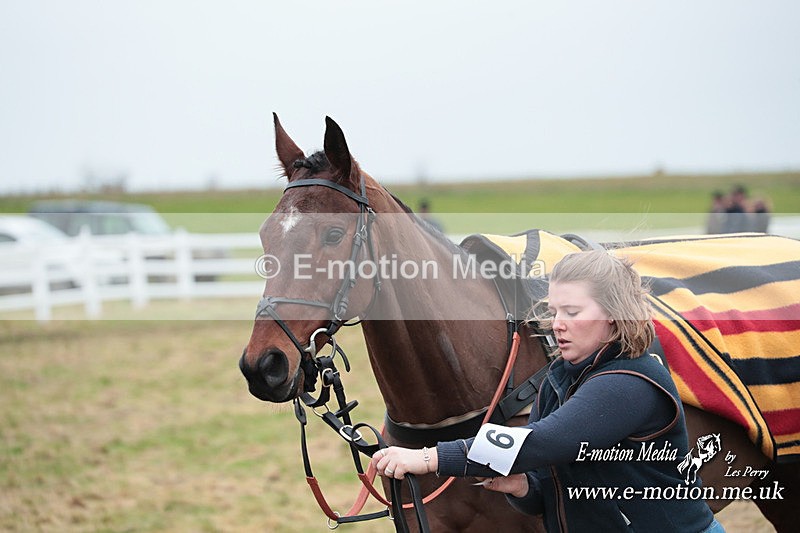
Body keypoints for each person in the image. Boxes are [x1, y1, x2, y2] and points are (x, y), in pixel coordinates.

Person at [371, 250, 723, 532]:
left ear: (614, 315)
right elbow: (552, 492)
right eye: (554, 310)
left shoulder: (630, 382)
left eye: (572, 311)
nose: (557, 323)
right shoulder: (558, 378)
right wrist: (523, 487)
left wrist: (428, 457)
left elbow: (544, 441)